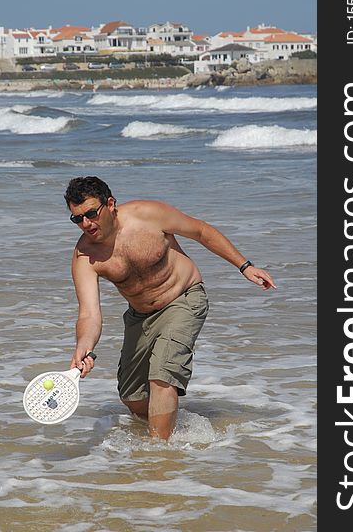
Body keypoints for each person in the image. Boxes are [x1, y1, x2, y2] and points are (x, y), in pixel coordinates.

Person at [64, 176, 276, 440]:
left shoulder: (149, 215)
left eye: (91, 214)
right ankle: (175, 424)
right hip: (140, 316)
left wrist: (245, 266)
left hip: (183, 299)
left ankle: (160, 460)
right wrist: (84, 346)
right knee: (133, 398)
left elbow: (201, 231)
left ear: (110, 204)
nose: (86, 224)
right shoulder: (85, 255)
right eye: (77, 219)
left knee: (162, 376)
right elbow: (89, 313)